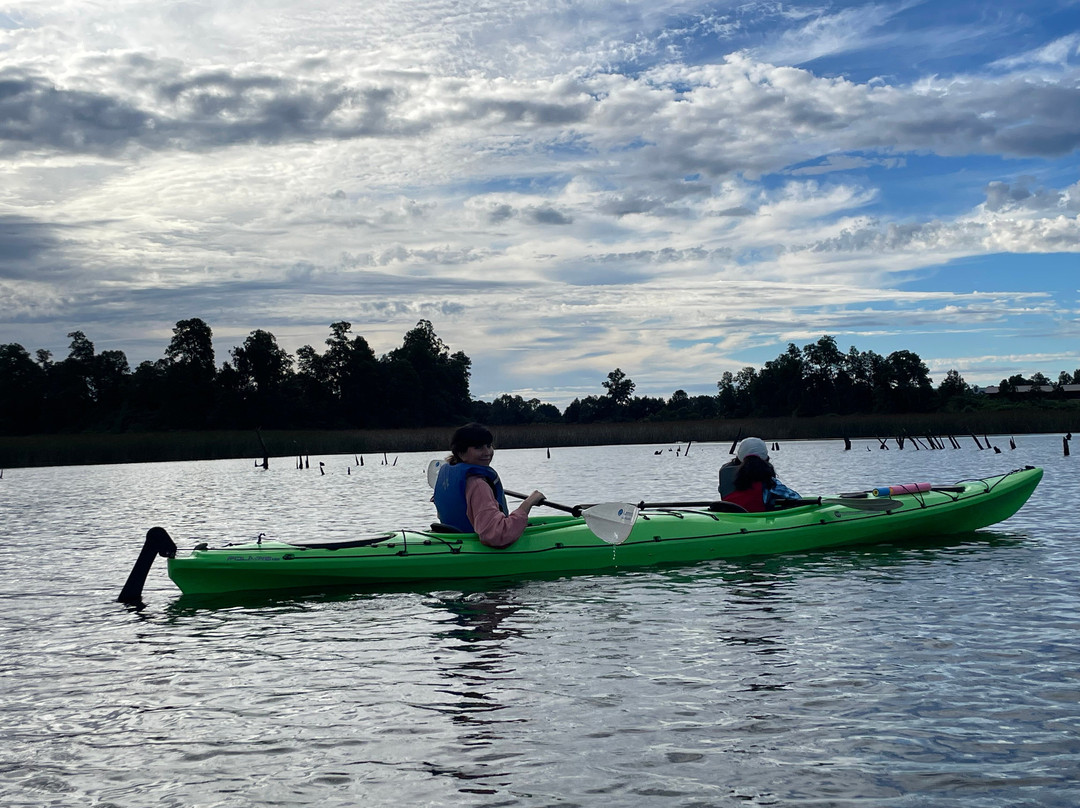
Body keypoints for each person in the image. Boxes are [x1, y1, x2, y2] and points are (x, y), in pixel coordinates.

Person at [432, 423, 546, 548]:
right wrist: (528, 503)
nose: (487, 452)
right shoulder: (479, 486)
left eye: (489, 446)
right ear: (461, 453)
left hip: (457, 543)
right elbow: (497, 535)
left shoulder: (450, 475)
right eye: (479, 448)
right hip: (474, 550)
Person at [721, 437, 801, 512]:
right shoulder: (768, 480)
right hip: (756, 520)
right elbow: (796, 498)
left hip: (729, 518)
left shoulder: (725, 474)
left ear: (739, 456)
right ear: (765, 458)